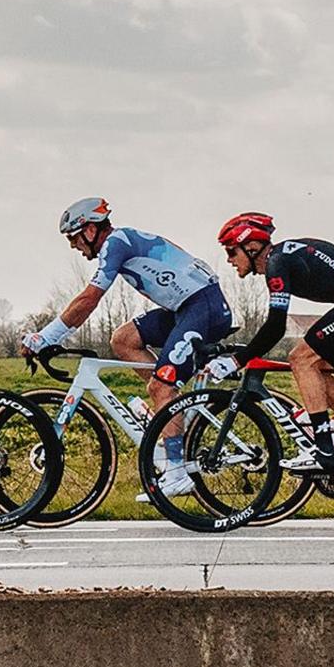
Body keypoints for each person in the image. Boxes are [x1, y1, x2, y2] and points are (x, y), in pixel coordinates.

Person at [26, 198, 233, 485]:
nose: (73, 245)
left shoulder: (116, 242)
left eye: (73, 238)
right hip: (186, 307)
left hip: (203, 306)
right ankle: (170, 406)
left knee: (162, 385)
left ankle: (176, 472)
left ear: (89, 230)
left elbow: (89, 299)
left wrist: (45, 336)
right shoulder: (122, 241)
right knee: (124, 339)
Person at [217, 213, 334, 472]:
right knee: (317, 367)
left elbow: (275, 326)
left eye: (231, 251)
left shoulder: (277, 262)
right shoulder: (284, 255)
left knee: (301, 359)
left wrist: (237, 360)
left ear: (251, 247)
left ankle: (323, 450)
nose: (229, 260)